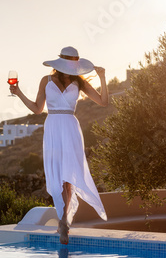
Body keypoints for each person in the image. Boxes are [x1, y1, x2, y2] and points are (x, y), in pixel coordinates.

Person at [9, 46, 108, 244]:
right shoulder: (46, 81)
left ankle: (63, 222)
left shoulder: (79, 83)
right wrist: (18, 92)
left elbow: (103, 102)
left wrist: (103, 78)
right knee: (57, 174)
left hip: (70, 128)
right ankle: (64, 219)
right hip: (53, 127)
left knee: (69, 174)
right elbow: (38, 109)